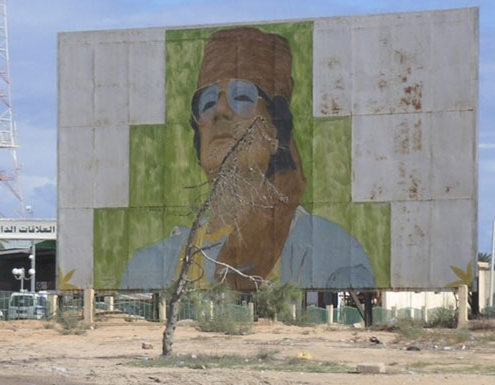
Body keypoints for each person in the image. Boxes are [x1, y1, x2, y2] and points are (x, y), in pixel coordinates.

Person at [121, 27, 374, 291]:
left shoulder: (330, 254)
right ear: (199, 136)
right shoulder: (150, 263)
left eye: (241, 97)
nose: (219, 110)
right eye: (207, 103)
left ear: (275, 131)